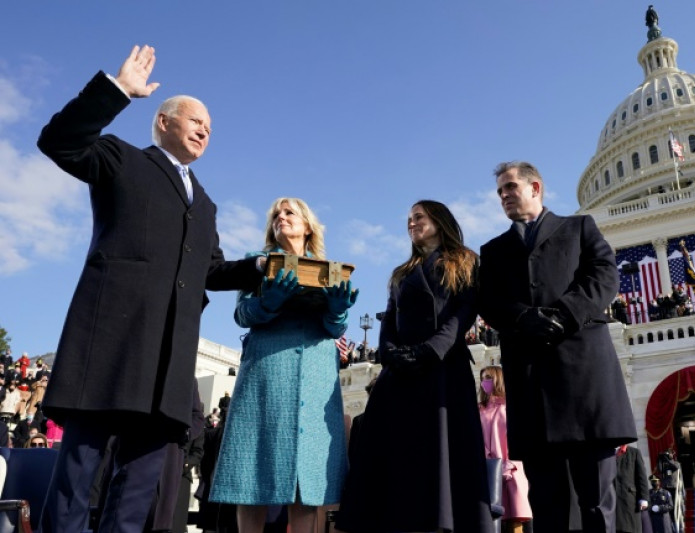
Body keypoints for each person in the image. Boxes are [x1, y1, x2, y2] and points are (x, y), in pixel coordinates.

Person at [36, 45, 264, 533]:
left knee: (138, 486)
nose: (206, 129)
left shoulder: (204, 203)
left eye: (210, 127)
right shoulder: (122, 158)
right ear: (163, 121)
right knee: (79, 475)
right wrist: (117, 91)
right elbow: (60, 140)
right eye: (196, 120)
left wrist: (260, 267)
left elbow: (212, 270)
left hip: (168, 362)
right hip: (111, 346)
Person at [479, 161, 637, 533]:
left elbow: (604, 276)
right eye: (500, 191)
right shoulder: (494, 250)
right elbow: (489, 302)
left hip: (585, 383)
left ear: (535, 187)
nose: (504, 196)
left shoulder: (578, 228)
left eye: (510, 187)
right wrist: (524, 319)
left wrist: (564, 314)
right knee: (548, 505)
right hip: (533, 388)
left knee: (597, 501)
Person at [336, 200, 492, 533]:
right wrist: (390, 353)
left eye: (418, 217)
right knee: (394, 463)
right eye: (408, 219)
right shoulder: (401, 273)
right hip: (400, 376)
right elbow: (388, 318)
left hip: (442, 371)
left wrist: (430, 350)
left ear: (440, 220)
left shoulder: (466, 261)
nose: (411, 223)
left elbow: (463, 313)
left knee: (443, 459)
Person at [210, 197, 358, 533]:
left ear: (307, 225)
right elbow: (241, 315)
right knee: (252, 471)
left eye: (289, 212)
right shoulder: (256, 263)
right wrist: (268, 302)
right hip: (267, 373)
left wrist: (338, 310)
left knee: (306, 481)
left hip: (317, 377)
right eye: (276, 214)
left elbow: (336, 328)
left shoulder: (328, 270)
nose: (281, 217)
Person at [479, 365, 532, 531]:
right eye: (482, 379)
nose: (484, 383)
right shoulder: (479, 410)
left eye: (488, 378)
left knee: (515, 519)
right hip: (487, 470)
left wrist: (509, 465)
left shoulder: (509, 409)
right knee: (491, 520)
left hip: (512, 470)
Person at [614, 444, 649, 533]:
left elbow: (642, 476)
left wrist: (644, 498)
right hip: (612, 498)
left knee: (630, 527)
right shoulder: (607, 452)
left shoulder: (634, 452)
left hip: (629, 499)